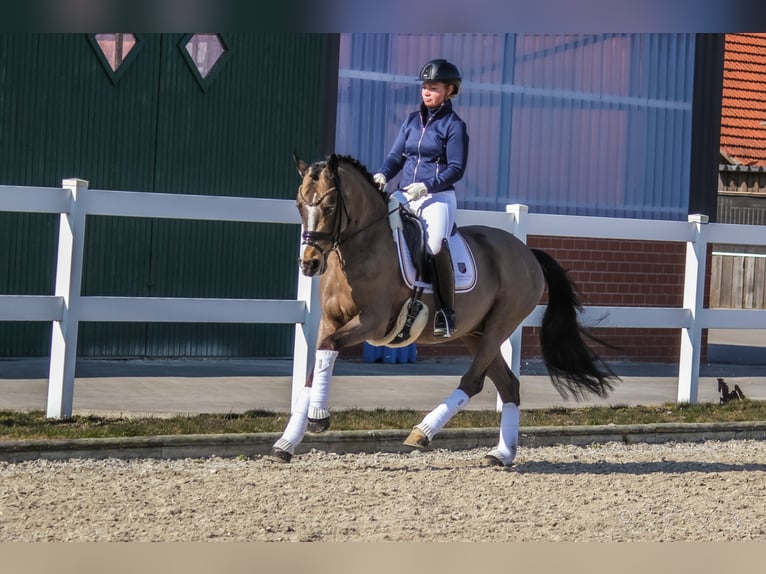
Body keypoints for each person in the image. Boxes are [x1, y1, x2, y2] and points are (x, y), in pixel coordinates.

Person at [373, 58, 469, 338]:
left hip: (437, 197)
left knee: (436, 246)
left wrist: (426, 186)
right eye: (425, 87)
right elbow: (396, 156)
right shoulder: (412, 121)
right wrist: (382, 174)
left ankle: (445, 312)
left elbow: (456, 169)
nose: (427, 92)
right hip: (404, 193)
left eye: (434, 87)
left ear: (450, 91)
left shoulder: (454, 126)